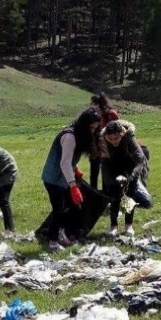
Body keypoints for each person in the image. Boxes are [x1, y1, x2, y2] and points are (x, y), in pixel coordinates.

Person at [40, 106, 101, 250]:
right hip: (53, 180)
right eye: (91, 128)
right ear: (84, 124)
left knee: (75, 207)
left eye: (95, 128)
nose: (93, 131)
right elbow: (64, 162)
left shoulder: (78, 135)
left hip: (64, 178)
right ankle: (53, 243)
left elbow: (70, 159)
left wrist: (76, 168)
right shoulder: (69, 137)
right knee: (59, 210)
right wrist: (73, 186)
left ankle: (64, 234)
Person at [99, 119, 152, 233]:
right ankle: (113, 226)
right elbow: (104, 166)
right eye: (110, 139)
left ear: (121, 134)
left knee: (129, 197)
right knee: (114, 196)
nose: (114, 141)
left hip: (130, 170)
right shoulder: (103, 142)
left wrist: (130, 178)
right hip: (113, 170)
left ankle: (129, 225)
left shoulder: (129, 140)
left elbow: (140, 161)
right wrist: (112, 183)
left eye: (116, 138)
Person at [89, 92, 119, 190]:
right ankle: (93, 194)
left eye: (94, 103)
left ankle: (107, 194)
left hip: (108, 148)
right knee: (94, 172)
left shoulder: (111, 114)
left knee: (106, 172)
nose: (92, 106)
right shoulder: (92, 114)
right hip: (95, 147)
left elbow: (118, 129)